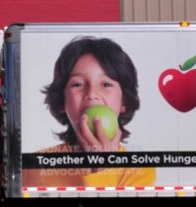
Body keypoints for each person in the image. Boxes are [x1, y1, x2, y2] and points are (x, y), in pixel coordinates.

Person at [23, 36, 156, 187]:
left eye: (106, 84)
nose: (92, 94)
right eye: (78, 84)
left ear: (124, 102)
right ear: (61, 102)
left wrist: (103, 167)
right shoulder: (36, 166)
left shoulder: (138, 168)